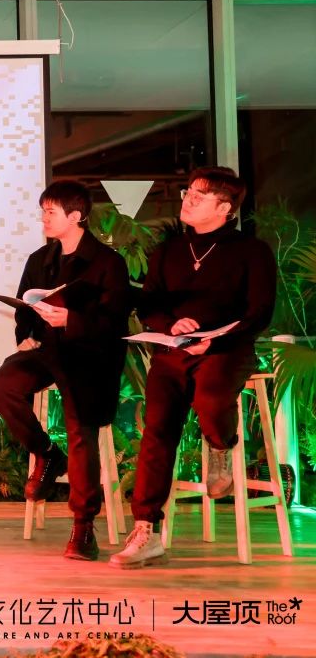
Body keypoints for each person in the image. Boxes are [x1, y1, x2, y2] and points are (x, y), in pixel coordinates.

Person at [110, 166, 275, 569]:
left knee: (212, 395)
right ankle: (146, 530)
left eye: (200, 196)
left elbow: (259, 312)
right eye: (188, 192)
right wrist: (172, 325)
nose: (188, 200)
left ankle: (220, 445)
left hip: (227, 349)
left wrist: (214, 340)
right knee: (156, 430)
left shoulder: (252, 251)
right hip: (175, 350)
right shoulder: (168, 251)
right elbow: (149, 305)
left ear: (225, 208)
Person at [0, 180, 130, 561]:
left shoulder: (108, 262)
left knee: (80, 427)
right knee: (1, 385)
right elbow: (24, 308)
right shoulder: (40, 259)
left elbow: (115, 322)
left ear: (76, 216)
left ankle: (83, 525)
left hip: (90, 356)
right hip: (48, 351)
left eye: (51, 212)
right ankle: (47, 453)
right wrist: (25, 336)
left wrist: (71, 320)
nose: (44, 219)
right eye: (43, 211)